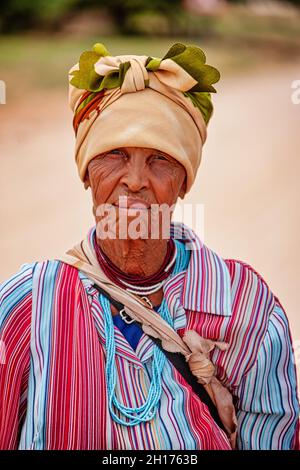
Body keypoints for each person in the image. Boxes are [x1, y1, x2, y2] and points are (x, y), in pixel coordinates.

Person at [0, 42, 299, 450]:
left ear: (184, 181)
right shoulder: (30, 305)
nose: (136, 179)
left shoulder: (248, 309)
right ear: (87, 172)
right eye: (115, 154)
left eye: (160, 158)